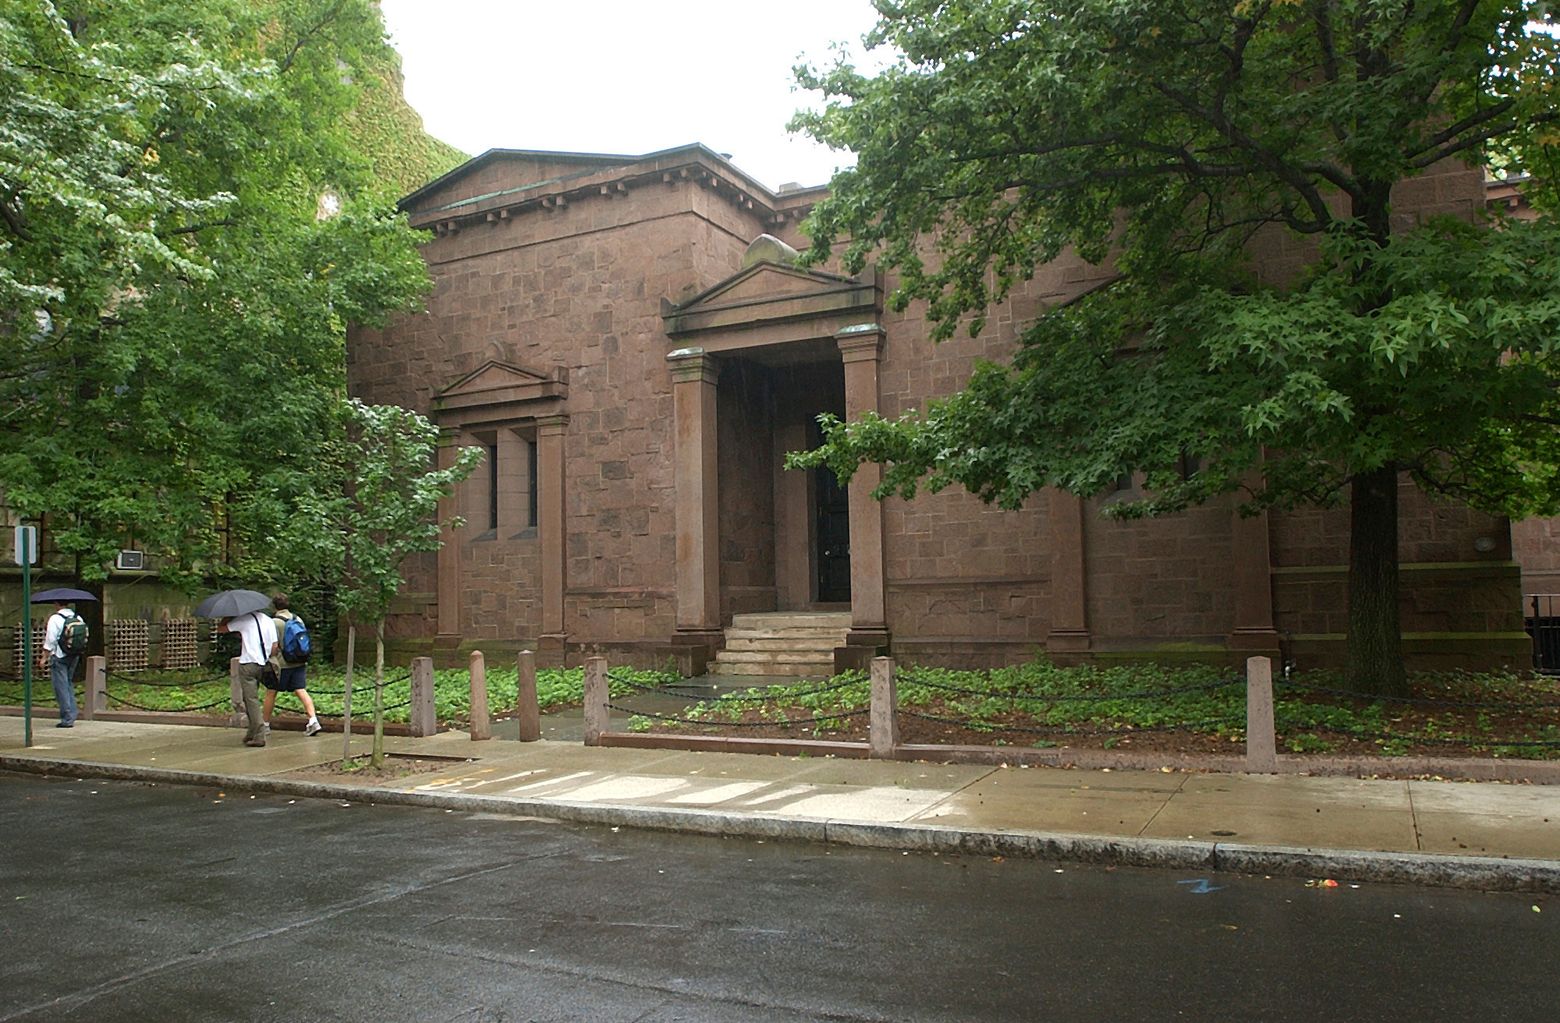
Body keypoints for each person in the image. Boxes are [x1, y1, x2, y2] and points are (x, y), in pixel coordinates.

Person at [217, 609, 276, 747]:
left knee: (250, 699)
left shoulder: (244, 619)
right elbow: (274, 647)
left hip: (248, 663)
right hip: (263, 663)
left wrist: (227, 616)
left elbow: (221, 629)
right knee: (250, 698)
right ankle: (251, 732)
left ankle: (259, 735)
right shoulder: (268, 620)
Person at [265, 594, 321, 737]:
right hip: (299, 660)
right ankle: (313, 720)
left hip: (281, 664)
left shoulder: (273, 622)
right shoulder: (297, 619)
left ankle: (265, 725)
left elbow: (273, 645)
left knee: (271, 691)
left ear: (275, 606)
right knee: (301, 689)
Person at [38, 599, 83, 728]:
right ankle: (73, 713)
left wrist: (44, 658)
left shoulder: (55, 619)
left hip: (59, 655)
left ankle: (67, 718)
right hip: (74, 655)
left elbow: (50, 640)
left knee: (60, 686)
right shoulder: (77, 617)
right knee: (68, 683)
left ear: (56, 604)